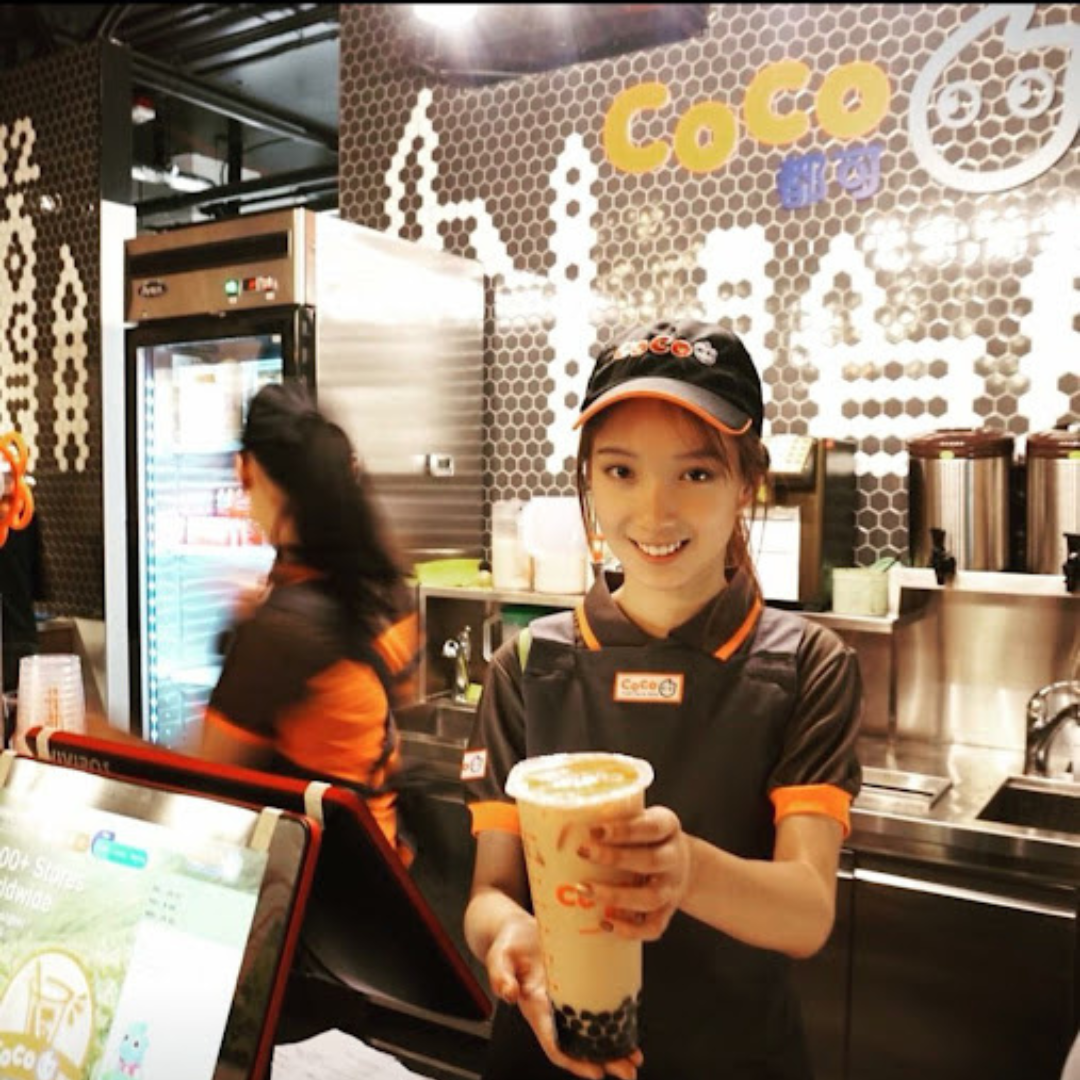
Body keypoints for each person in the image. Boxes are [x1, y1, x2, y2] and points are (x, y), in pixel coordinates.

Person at [461, 320, 863, 1079]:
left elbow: (807, 912)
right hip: (548, 1053)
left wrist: (685, 871)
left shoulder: (809, 664)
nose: (653, 512)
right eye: (620, 472)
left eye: (696, 474)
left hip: (734, 1058)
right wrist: (507, 934)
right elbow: (489, 892)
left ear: (748, 481)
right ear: (587, 479)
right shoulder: (527, 661)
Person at [198, 382, 416, 856]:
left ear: (246, 470)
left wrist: (94, 740)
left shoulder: (282, 631)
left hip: (322, 892)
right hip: (385, 870)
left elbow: (206, 786)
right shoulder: (383, 590)